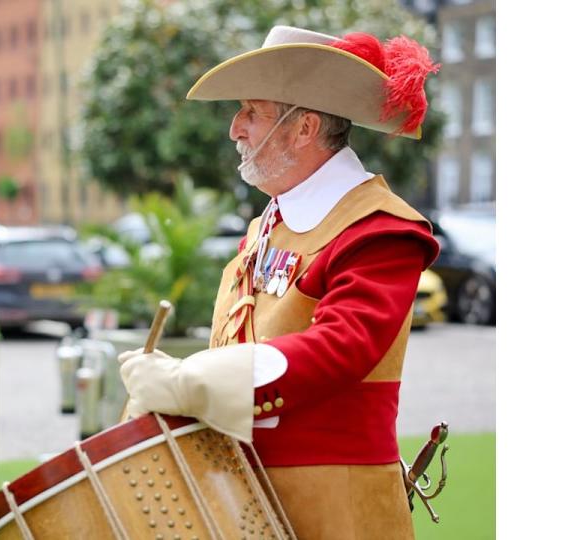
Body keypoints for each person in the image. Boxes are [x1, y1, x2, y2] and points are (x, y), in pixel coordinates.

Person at [119, 26, 441, 539]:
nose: (234, 128)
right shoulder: (268, 224)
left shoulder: (381, 229)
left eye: (251, 110)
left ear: (304, 127)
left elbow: (344, 347)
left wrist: (195, 382)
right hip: (244, 505)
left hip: (337, 514)